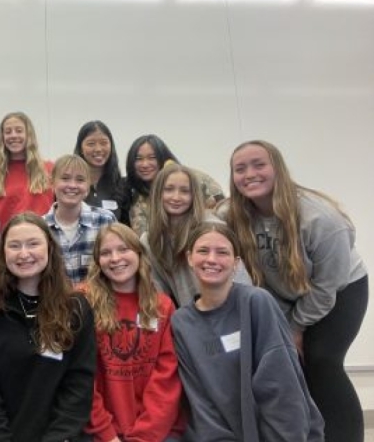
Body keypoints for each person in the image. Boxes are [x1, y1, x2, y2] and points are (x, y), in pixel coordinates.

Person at [223, 140, 367, 441]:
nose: (249, 174)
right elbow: (204, 226)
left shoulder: (321, 219)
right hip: (282, 295)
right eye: (240, 169)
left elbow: (327, 287)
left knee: (321, 360)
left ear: (278, 168)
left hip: (338, 292)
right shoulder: (232, 213)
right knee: (286, 364)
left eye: (259, 165)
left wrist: (296, 328)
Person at [171, 222, 324, 442]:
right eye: (203, 251)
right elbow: (199, 402)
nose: (211, 259)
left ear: (236, 263)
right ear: (189, 258)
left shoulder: (256, 302)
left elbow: (281, 387)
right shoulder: (181, 323)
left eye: (222, 252)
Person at [0, 213, 96, 442]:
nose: (24, 254)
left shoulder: (75, 307)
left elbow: (79, 385)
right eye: (14, 246)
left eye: (33, 244)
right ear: (3, 252)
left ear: (49, 248)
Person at [84, 223, 184, 442]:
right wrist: (107, 434)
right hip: (101, 431)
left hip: (156, 431)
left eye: (123, 249)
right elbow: (82, 379)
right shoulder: (84, 302)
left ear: (139, 254)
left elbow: (166, 378)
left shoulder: (162, 306)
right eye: (106, 253)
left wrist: (144, 436)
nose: (115, 258)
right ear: (97, 261)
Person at [142, 162, 251, 308]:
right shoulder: (149, 240)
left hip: (231, 312)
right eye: (168, 189)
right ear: (157, 193)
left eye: (184, 191)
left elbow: (239, 279)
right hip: (191, 321)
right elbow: (160, 292)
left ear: (194, 196)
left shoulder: (213, 229)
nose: (176, 197)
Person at [120, 134, 224, 235]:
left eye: (152, 157)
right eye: (139, 159)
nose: (145, 164)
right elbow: (142, 238)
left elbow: (220, 207)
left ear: (163, 157)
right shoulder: (135, 196)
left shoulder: (194, 178)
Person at [43, 154, 115, 284]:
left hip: (97, 302)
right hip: (53, 303)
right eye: (65, 178)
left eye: (80, 180)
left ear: (88, 187)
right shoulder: (40, 227)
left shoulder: (105, 220)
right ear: (52, 183)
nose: (72, 185)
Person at [0, 112, 54, 230]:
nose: (13, 135)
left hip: (41, 240)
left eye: (19, 130)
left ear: (29, 135)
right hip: (7, 242)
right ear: (2, 137)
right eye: (8, 132)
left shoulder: (49, 170)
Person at [73, 121, 124, 219]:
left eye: (104, 143)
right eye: (91, 144)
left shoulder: (121, 185)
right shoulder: (71, 185)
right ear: (81, 148)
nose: (98, 149)